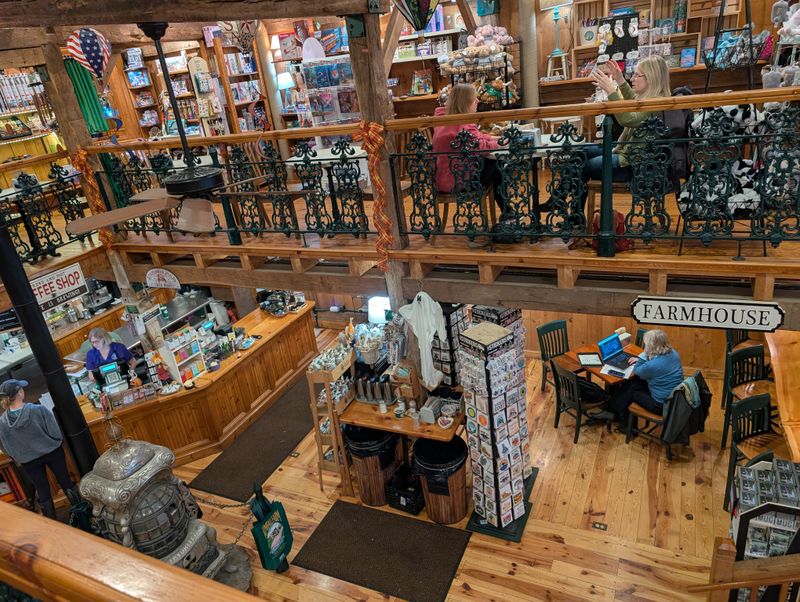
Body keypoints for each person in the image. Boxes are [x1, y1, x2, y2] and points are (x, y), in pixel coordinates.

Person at [579, 56, 672, 204]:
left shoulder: (655, 103)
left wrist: (611, 90)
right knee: (580, 151)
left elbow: (627, 119)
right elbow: (631, 103)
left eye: (637, 75)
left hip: (632, 165)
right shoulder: (649, 97)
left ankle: (573, 213)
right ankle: (562, 202)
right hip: (625, 154)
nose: (633, 79)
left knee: (583, 165)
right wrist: (620, 81)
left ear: (651, 78)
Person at [0, 379, 78, 519]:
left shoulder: (2, 423)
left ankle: (51, 523)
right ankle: (83, 514)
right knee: (65, 480)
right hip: (52, 452)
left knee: (42, 490)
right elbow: (55, 432)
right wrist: (53, 443)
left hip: (28, 461)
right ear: (20, 393)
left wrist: (20, 456)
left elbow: (5, 447)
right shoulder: (38, 410)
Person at [432, 84, 504, 212]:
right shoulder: (462, 123)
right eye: (474, 98)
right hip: (460, 181)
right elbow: (480, 146)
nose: (477, 101)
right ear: (465, 102)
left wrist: (494, 138)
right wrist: (500, 143)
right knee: (500, 164)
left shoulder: (444, 120)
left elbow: (477, 137)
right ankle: (507, 212)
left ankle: (507, 212)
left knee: (496, 165)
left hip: (443, 179)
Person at [608, 329, 684, 421]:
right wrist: (647, 355)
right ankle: (613, 410)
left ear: (651, 346)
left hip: (661, 405)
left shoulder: (652, 365)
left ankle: (619, 418)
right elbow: (656, 362)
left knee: (630, 392)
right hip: (676, 399)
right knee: (634, 383)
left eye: (646, 344)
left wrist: (644, 355)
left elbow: (636, 370)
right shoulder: (674, 353)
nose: (645, 346)